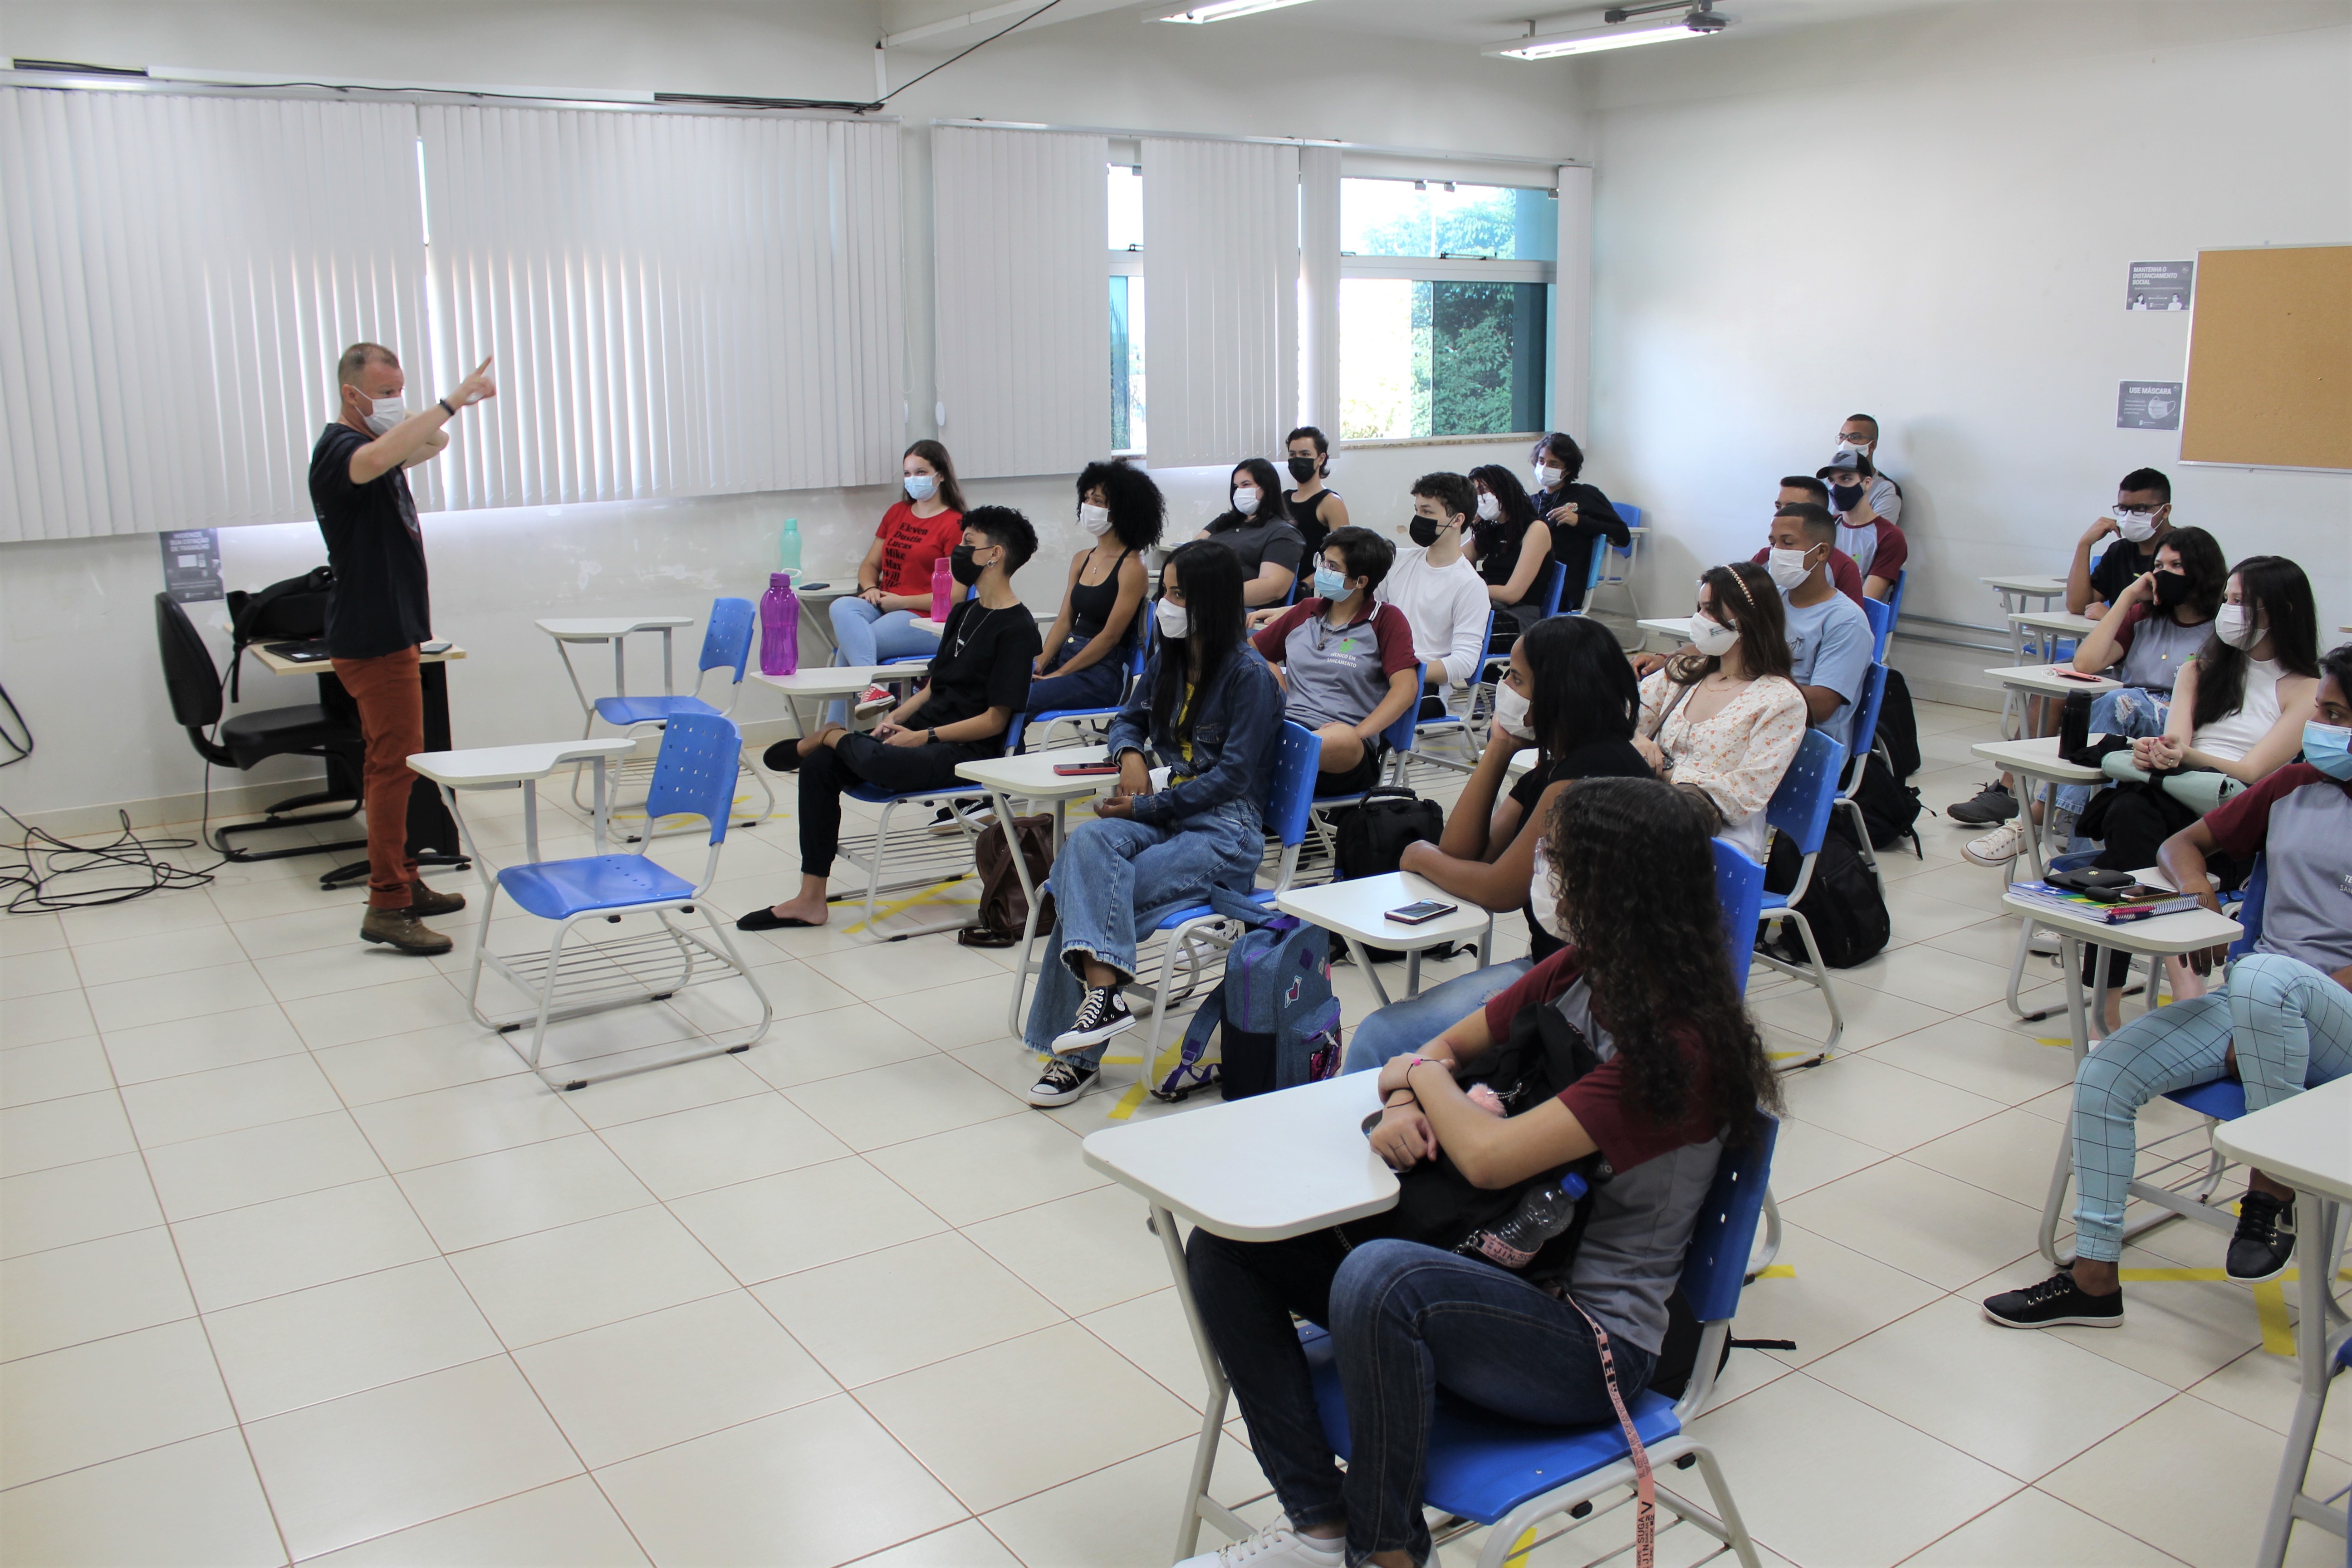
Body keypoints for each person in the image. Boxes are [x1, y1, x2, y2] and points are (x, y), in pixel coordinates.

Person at [1175, 776, 1783, 1568]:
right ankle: (1319, 1524)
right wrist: (1403, 1102)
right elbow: (1439, 1051)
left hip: (1587, 1343)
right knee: (1225, 1246)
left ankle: (1386, 1551)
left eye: (1556, 861)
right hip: (1495, 1264)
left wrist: (1420, 1084)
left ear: (1614, 886)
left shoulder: (1675, 1049)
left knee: (1381, 1276)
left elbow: (1485, 1150)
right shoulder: (1578, 973)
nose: (1540, 874)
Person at [1982, 642, 2352, 1331]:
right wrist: (2200, 888)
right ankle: (2093, 1279)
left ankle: (2270, 1195)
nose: (2320, 726)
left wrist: (2271, 1018)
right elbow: (2182, 845)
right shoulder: (2297, 784)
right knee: (2105, 1072)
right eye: (2321, 711)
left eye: (2335, 713)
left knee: (2267, 977)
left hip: (2337, 1017)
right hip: (2258, 1003)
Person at [1975, 557, 2323, 1032]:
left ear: (2280, 610)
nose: (2230, 610)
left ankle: (2111, 1002)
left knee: (2120, 841)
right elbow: (2178, 741)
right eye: (2229, 600)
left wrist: (2183, 757)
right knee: (2130, 817)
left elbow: (2253, 771)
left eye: (2242, 602)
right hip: (2172, 805)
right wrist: (2155, 752)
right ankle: (2170, 983)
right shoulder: (2200, 669)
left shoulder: (2308, 689)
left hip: (2233, 820)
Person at [1022, 542, 1284, 1107]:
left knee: (1088, 893)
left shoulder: (1249, 677)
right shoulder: (1169, 655)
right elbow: (1128, 719)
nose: (1165, 604)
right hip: (1169, 805)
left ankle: (1072, 1055)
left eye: (1177, 595)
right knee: (1089, 847)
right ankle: (1104, 1001)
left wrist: (1144, 808)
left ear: (1210, 603)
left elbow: (1232, 779)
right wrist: (1130, 756)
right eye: (1166, 591)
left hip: (1223, 829)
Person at [1343, 616, 1653, 1073]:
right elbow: (1465, 853)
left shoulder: (1589, 774)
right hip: (1555, 968)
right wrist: (1500, 748)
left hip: (1591, 991)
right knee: (1393, 1037)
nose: (1503, 686)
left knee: (1383, 1038)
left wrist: (1416, 854)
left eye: (1516, 678)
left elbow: (1497, 890)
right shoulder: (1552, 768)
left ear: (1560, 693)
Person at [739, 508, 1042, 931]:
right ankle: (811, 899)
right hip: (924, 737)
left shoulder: (1018, 629)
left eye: (968, 543)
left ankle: (830, 734)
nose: (958, 552)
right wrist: (895, 718)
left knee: (879, 762)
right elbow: (936, 688)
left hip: (969, 753)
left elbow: (995, 721)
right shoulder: (964, 613)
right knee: (821, 766)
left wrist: (923, 737)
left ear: (995, 555)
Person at [311, 342, 497, 956]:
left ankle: (406, 882)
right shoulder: (342, 454)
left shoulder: (379, 455)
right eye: (385, 395)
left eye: (401, 393)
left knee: (398, 766)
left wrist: (447, 415)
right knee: (391, 770)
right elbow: (385, 452)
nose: (396, 405)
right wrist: (450, 400)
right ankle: (388, 903)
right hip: (374, 639)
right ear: (350, 395)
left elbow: (430, 445)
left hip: (390, 633)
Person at [1959, 528, 2228, 849]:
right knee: (2110, 704)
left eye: (2176, 566)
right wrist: (2126, 598)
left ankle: (2040, 814)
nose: (2162, 574)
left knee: (2118, 702)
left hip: (2185, 720)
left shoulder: (2222, 626)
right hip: (2132, 713)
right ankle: (2070, 836)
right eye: (2158, 566)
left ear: (2202, 570)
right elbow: (2086, 663)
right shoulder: (2145, 616)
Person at [1632, 563, 1808, 863]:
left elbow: (1742, 796)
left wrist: (1663, 769)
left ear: (1748, 619)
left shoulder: (1781, 701)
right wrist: (1635, 737)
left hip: (1719, 834)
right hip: (1644, 809)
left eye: (1711, 611)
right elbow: (1618, 719)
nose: (1700, 620)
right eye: (1700, 609)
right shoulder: (1682, 673)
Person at [1251, 527, 1422, 795]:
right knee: (1257, 672)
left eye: (1332, 566)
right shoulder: (1306, 610)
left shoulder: (1387, 620)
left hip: (1341, 750)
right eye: (1323, 561)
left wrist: (1360, 733)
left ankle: (1251, 764)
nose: (1322, 570)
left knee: (1338, 739)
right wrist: (1278, 688)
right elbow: (1249, 654)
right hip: (1287, 724)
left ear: (1360, 582)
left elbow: (1406, 688)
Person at [828, 441, 969, 724]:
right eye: (907, 474)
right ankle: (872, 691)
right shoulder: (897, 512)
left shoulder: (955, 524)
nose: (912, 480)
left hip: (923, 616)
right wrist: (870, 588)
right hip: (883, 603)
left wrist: (902, 602)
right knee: (842, 607)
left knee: (851, 645)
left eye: (920, 472)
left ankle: (833, 730)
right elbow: (870, 565)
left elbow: (955, 596)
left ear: (940, 475)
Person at [1027, 460, 1162, 718]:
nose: (1088, 507)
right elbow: (1064, 621)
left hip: (1101, 674)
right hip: (1067, 655)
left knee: (1021, 700)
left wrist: (1060, 674)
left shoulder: (1133, 567)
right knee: (1003, 690)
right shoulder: (1082, 558)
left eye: (1098, 501)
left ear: (1121, 510)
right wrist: (1041, 663)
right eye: (1087, 499)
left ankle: (1009, 756)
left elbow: (1110, 636)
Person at [1762, 505, 1875, 757]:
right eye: (1773, 543)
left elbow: (1823, 704)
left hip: (1808, 747)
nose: (1777, 553)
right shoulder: (1773, 601)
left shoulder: (1846, 621)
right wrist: (1668, 660)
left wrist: (1750, 688)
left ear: (1821, 552)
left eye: (1788, 543)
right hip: (1761, 727)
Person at [1374, 472, 1491, 713]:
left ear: (1458, 520)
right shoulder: (1399, 561)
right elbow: (1365, 610)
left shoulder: (1470, 584)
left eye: (1428, 512)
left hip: (1422, 686)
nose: (1419, 519)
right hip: (1377, 671)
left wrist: (1408, 669)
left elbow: (1465, 662)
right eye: (1417, 511)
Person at [1526, 431, 1628, 613]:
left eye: (1554, 464)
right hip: (1529, 576)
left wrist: (1580, 521)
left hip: (1563, 584)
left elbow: (1622, 536)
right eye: (1541, 462)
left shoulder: (1586, 495)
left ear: (1568, 469)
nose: (1545, 467)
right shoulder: (1531, 501)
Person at [1463, 464, 1554, 651]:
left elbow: (1512, 594)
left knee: (1451, 635)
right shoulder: (1491, 528)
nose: (1480, 498)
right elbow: (1455, 560)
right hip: (1492, 610)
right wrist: (1463, 524)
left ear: (1504, 491)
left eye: (1484, 491)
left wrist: (1471, 589)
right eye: (1475, 494)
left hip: (1520, 620)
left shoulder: (1535, 529)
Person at [2067, 468, 2177, 618]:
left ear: (2165, 511)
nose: (2129, 516)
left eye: (2140, 509)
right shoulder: (2119, 551)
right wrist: (2084, 545)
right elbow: (2078, 607)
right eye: (2123, 509)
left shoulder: (2183, 552)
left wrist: (2113, 616)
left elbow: (2174, 621)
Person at [1202, 457, 1307, 608]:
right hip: (1198, 601)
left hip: (1235, 610)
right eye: (1236, 487)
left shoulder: (1283, 533)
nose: (1239, 491)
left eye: (1246, 485)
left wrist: (1208, 597)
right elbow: (1190, 553)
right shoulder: (1225, 522)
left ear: (1267, 488)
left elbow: (1272, 588)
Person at [1816, 451, 1909, 600]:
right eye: (1832, 481)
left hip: (1852, 619)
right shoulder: (1825, 526)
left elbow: (1867, 601)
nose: (1836, 488)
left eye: (1846, 479)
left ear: (1867, 483)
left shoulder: (1889, 536)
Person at [1283, 426, 1351, 563]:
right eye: (1293, 455)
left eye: (1305, 454)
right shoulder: (1283, 498)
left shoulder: (1331, 502)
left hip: (1313, 582)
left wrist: (1305, 584)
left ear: (1321, 459)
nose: (1297, 460)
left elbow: (1343, 556)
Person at [1835, 413, 1903, 524]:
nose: (1845, 443)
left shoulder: (1885, 490)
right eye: (1842, 437)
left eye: (1855, 438)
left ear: (1872, 446)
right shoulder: (1826, 483)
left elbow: (1875, 536)